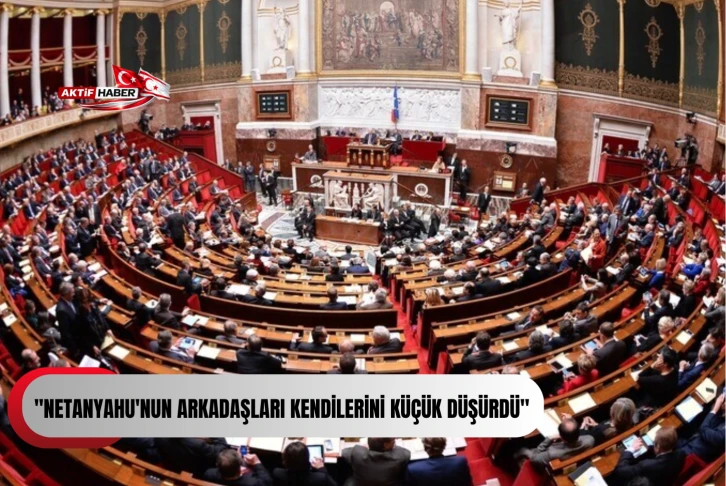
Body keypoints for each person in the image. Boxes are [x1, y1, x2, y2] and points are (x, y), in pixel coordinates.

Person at [609, 427, 684, 486]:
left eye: (654, 442)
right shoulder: (681, 454)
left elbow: (620, 471)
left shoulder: (647, 465)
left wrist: (630, 450)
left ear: (658, 447)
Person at [520, 417, 595, 470]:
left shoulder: (552, 453)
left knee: (525, 450)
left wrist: (549, 438)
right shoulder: (590, 439)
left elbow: (534, 459)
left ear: (562, 438)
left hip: (548, 462)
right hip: (574, 461)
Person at [677, 392, 725, 463]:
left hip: (695, 452)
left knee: (668, 440)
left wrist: (714, 410)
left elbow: (703, 429)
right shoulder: (722, 418)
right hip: (693, 440)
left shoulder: (722, 435)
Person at [340, 437, 410, 486]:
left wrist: (365, 448)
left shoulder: (357, 452)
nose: (395, 441)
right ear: (386, 445)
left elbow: (343, 452)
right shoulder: (400, 456)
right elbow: (406, 452)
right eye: (393, 440)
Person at [405, 437, 472, 486]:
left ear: (425, 448)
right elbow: (468, 482)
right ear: (444, 446)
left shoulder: (413, 469)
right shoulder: (460, 462)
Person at [272, 440, 337, 486]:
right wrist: (321, 468)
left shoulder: (277, 473)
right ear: (308, 459)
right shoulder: (321, 478)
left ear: (285, 461)